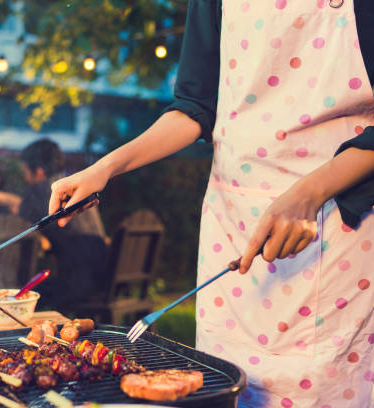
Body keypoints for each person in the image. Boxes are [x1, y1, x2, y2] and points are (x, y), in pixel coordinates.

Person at [48, 2, 374, 407]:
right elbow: (195, 106)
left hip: (336, 229)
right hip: (232, 225)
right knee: (225, 387)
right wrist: (106, 167)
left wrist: (309, 192)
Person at [19, 139, 108, 311]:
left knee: (25, 292)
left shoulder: (40, 192)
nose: (24, 177)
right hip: (102, 278)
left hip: (78, 284)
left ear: (38, 172)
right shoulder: (76, 187)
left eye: (25, 171)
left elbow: (19, 225)